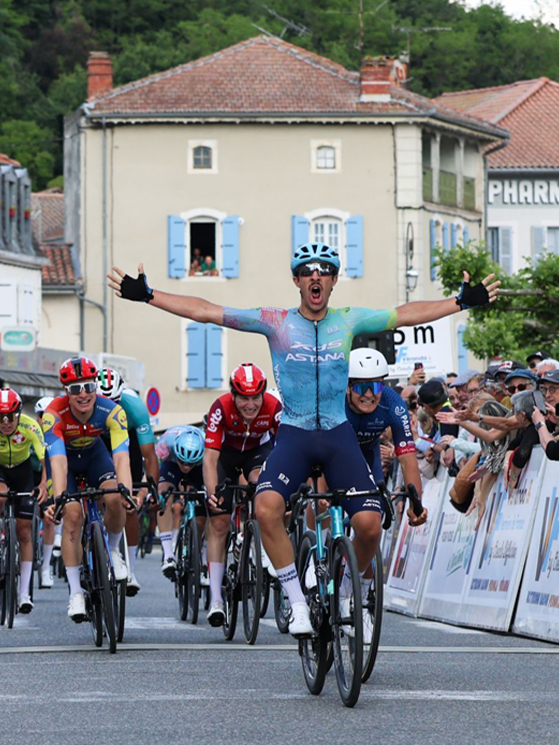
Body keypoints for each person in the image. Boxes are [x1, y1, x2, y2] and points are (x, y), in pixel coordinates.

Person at [108, 246, 499, 636]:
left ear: (333, 280)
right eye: (307, 271)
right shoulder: (275, 322)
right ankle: (297, 602)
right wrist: (149, 295)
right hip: (294, 436)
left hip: (337, 436)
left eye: (325, 270)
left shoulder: (348, 320)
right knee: (265, 508)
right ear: (296, 280)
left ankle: (347, 592)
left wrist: (460, 302)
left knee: (369, 525)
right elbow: (207, 311)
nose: (316, 276)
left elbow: (407, 314)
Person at [43, 358, 134, 622]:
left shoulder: (113, 411)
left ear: (95, 387)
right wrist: (59, 499)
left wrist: (126, 490)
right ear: (66, 391)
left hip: (95, 456)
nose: (83, 395)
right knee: (72, 516)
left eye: (88, 387)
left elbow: (121, 457)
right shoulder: (53, 415)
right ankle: (75, 593)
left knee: (115, 497)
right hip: (67, 462)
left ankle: (113, 551)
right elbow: (58, 463)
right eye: (75, 389)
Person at [203, 363, 282, 626]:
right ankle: (216, 599)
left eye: (255, 397)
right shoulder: (220, 407)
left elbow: (284, 449)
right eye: (244, 398)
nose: (250, 404)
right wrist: (212, 492)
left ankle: (259, 545)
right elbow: (210, 458)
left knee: (260, 483)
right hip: (225, 456)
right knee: (219, 522)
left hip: (255, 455)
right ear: (234, 395)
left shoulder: (273, 407)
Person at [97, 368, 159, 596]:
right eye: (103, 402)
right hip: (96, 437)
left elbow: (149, 456)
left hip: (126, 435)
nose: (110, 407)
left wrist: (149, 491)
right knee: (94, 493)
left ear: (121, 396)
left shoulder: (135, 408)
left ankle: (131, 570)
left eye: (114, 402)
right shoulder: (85, 406)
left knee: (129, 504)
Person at [0, 388, 48, 613]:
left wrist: (43, 485)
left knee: (25, 531)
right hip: (1, 470)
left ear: (19, 414)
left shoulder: (30, 426)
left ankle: (23, 594)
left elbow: (46, 460)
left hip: (23, 472)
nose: (6, 422)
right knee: (1, 494)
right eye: (1, 417)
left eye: (10, 416)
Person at [34, 396, 57, 588]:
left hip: (47, 476)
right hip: (28, 475)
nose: (46, 419)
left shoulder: (57, 433)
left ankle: (46, 567)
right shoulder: (32, 431)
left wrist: (47, 485)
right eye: (43, 415)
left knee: (49, 519)